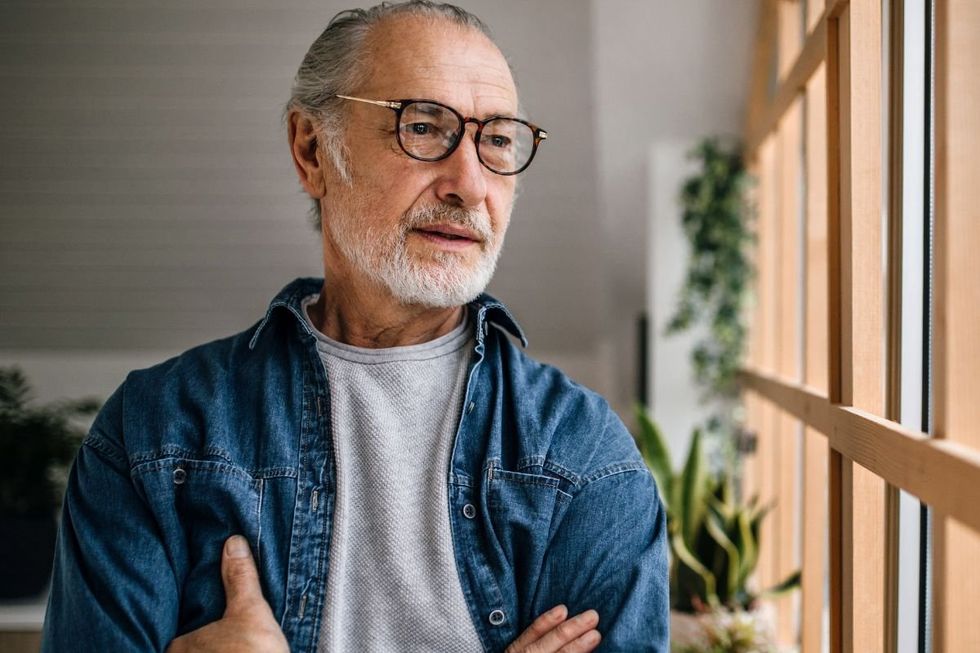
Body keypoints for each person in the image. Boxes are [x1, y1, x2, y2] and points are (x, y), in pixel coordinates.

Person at [41, 2, 669, 651]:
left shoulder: (586, 461)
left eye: (498, 140)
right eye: (424, 127)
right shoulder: (153, 434)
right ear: (311, 150)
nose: (469, 183)